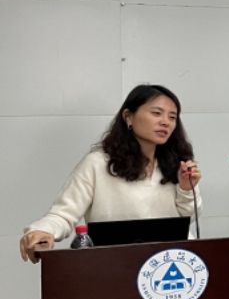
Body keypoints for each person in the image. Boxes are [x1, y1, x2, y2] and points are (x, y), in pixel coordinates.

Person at [19, 84, 202, 263]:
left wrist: (186, 190)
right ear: (128, 117)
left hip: (172, 262)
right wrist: (42, 231)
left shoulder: (177, 164)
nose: (165, 122)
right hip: (115, 265)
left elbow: (189, 218)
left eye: (172, 117)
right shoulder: (98, 163)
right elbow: (63, 214)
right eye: (156, 113)